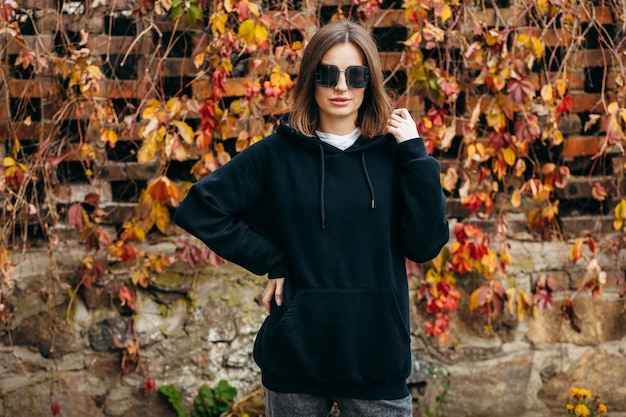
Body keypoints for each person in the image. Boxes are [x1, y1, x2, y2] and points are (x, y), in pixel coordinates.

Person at [175, 19, 449, 417]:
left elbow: (425, 245)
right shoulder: (276, 154)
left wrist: (415, 155)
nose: (341, 87)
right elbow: (200, 207)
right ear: (310, 79)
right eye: (328, 74)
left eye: (355, 75)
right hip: (294, 359)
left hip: (374, 358)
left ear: (369, 81)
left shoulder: (396, 155)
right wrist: (273, 259)